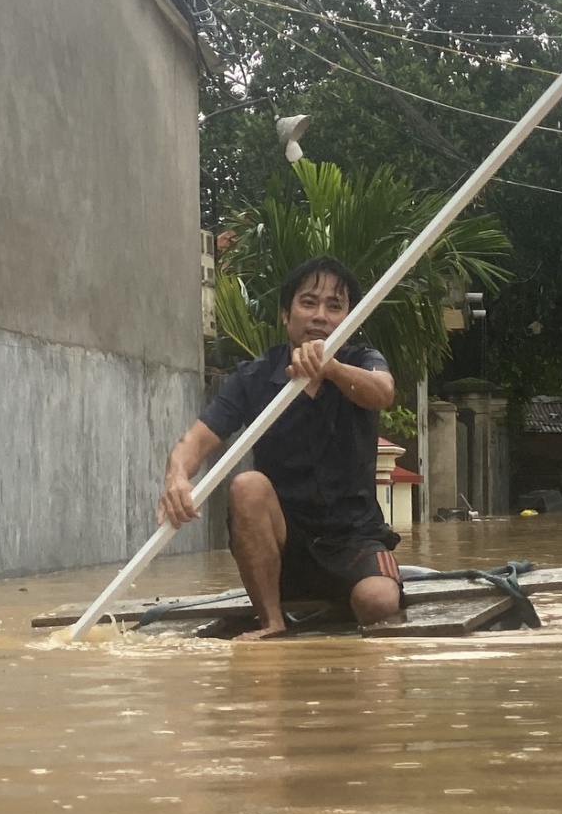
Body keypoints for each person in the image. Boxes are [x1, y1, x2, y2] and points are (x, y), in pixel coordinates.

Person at [160, 255, 404, 638]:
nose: (320, 316)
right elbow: (196, 440)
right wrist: (177, 477)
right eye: (308, 303)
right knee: (246, 485)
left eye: (334, 306)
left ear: (350, 319)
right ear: (285, 315)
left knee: (379, 603)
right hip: (282, 546)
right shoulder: (255, 376)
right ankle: (271, 622)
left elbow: (383, 393)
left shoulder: (361, 361)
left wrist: (331, 368)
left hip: (353, 540)